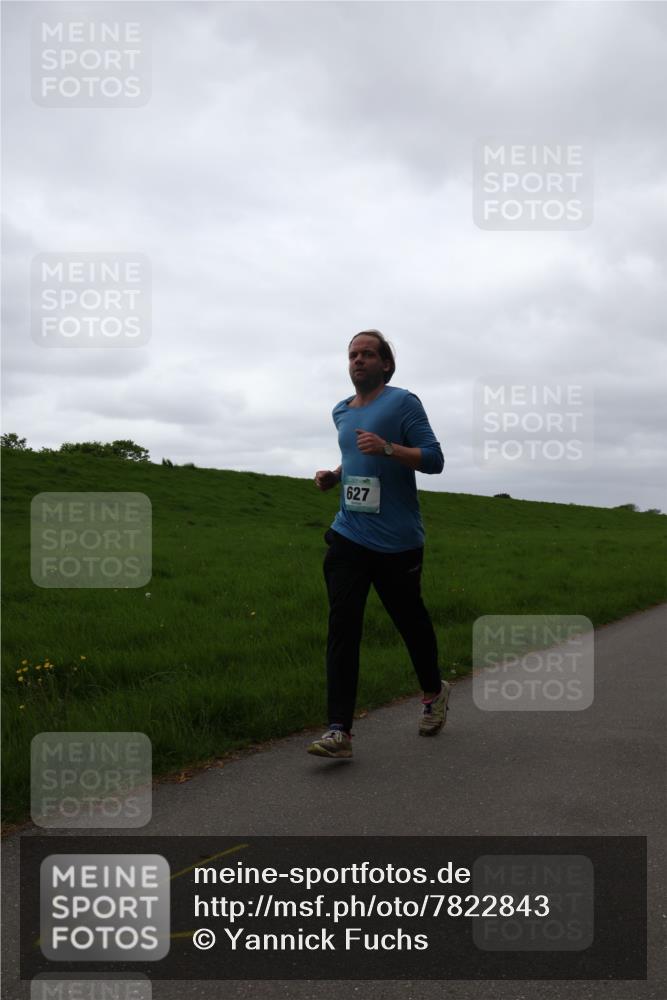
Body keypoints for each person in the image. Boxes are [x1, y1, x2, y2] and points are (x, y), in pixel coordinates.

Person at [308, 329, 449, 759]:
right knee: (343, 626)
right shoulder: (341, 411)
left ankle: (434, 691)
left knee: (410, 623)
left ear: (385, 364)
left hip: (397, 542)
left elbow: (434, 460)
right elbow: (354, 458)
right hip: (349, 534)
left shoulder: (403, 402)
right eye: (353, 354)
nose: (358, 360)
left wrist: (388, 448)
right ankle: (339, 731)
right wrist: (335, 476)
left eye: (368, 354)